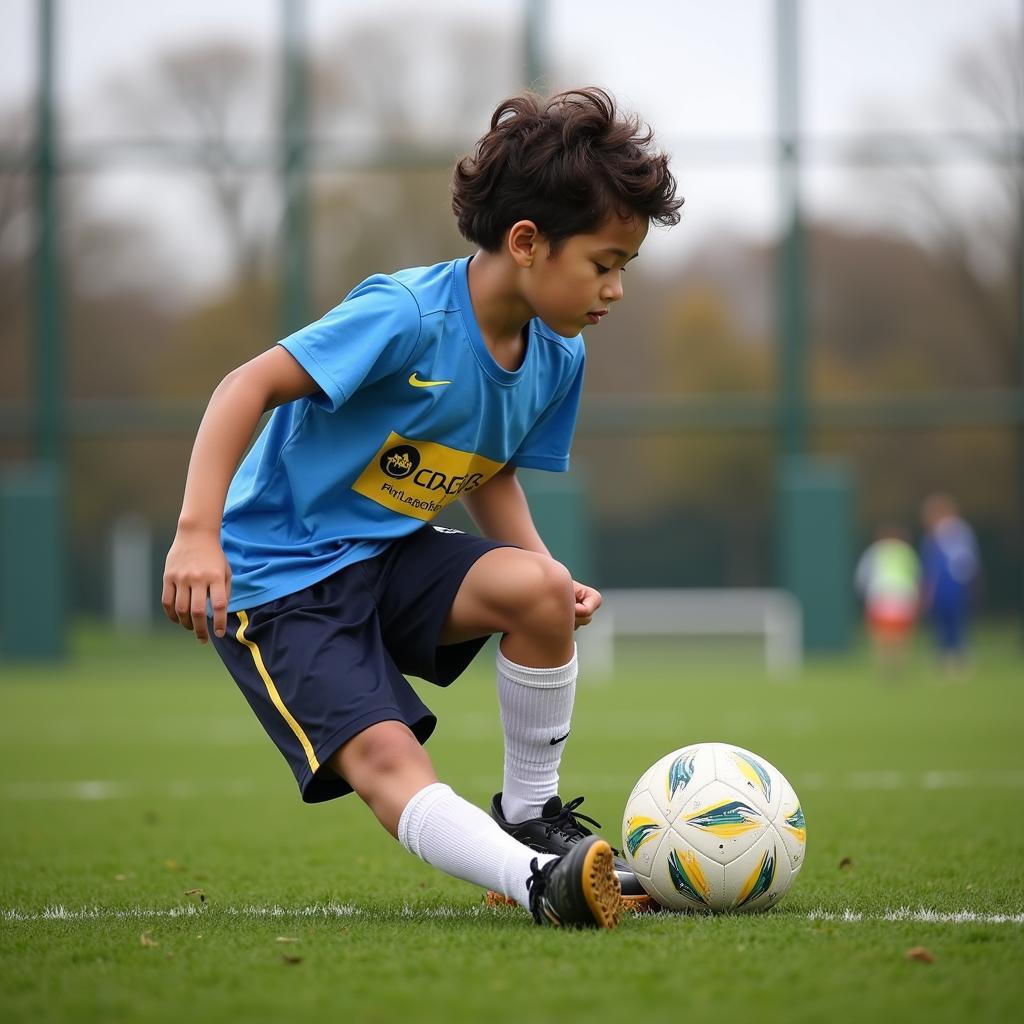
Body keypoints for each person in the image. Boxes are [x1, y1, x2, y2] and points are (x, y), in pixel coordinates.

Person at [161, 87, 682, 929]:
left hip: (387, 558)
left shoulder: (558, 354)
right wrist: (195, 535)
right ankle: (533, 879)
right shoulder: (404, 316)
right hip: (281, 582)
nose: (614, 290)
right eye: (605, 263)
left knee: (542, 591)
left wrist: (549, 575)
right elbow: (244, 385)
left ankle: (531, 819)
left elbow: (485, 470)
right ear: (527, 243)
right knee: (385, 755)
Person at [919, 493, 980, 677]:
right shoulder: (932, 537)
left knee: (956, 623)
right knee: (942, 625)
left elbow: (968, 562)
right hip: (943, 589)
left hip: (954, 587)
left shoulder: (959, 532)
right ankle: (945, 663)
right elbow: (930, 568)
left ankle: (959, 662)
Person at [854, 524, 921, 669]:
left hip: (881, 595)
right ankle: (899, 665)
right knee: (901, 634)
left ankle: (884, 665)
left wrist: (863, 595)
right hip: (904, 596)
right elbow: (917, 575)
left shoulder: (875, 551)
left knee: (881, 633)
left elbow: (862, 576)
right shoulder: (906, 551)